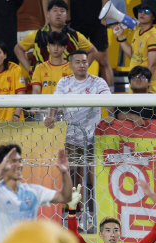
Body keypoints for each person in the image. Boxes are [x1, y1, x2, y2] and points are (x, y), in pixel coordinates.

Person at [46, 50, 111, 232]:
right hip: (71, 138)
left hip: (93, 139)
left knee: (94, 177)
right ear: (71, 65)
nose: (82, 64)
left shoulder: (98, 82)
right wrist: (51, 116)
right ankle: (78, 215)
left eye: (84, 61)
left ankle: (96, 215)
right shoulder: (64, 82)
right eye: (78, 62)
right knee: (73, 178)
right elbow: (55, 103)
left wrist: (112, 114)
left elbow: (110, 102)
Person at [14, 0, 96, 74]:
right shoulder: (37, 34)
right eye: (55, 10)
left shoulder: (75, 35)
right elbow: (18, 49)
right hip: (42, 80)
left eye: (62, 11)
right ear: (48, 14)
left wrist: (81, 69)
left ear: (67, 15)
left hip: (67, 81)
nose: (58, 13)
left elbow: (93, 51)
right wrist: (30, 70)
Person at [112, 0, 156, 94]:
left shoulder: (153, 36)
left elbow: (152, 65)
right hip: (135, 85)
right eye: (140, 10)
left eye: (147, 11)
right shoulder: (137, 32)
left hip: (146, 89)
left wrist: (145, 85)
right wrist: (120, 36)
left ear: (153, 17)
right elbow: (133, 56)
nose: (142, 13)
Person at [67, 0, 114, 91]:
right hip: (76, 21)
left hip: (97, 21)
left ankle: (110, 95)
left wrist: (104, 18)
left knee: (103, 61)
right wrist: (68, 18)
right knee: (75, 60)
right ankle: (75, 91)